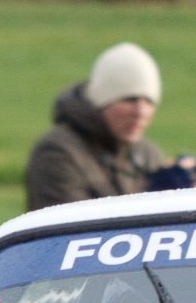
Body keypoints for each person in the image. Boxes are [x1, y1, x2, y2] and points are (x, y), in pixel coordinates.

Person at [26, 42, 173, 210]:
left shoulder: (146, 154)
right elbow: (73, 228)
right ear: (102, 102)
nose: (141, 112)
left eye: (149, 101)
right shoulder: (57, 152)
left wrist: (182, 196)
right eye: (130, 99)